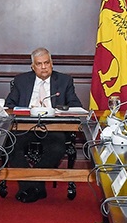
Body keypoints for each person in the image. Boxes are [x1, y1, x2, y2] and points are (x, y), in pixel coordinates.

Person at [4, 47, 83, 203]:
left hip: (54, 127)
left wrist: (57, 110)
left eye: (47, 63)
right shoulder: (21, 81)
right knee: (10, 145)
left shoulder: (64, 81)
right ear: (33, 66)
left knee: (57, 148)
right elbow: (9, 106)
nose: (44, 67)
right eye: (39, 64)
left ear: (51, 63)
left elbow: (75, 105)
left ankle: (31, 188)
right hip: (25, 127)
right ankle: (34, 188)